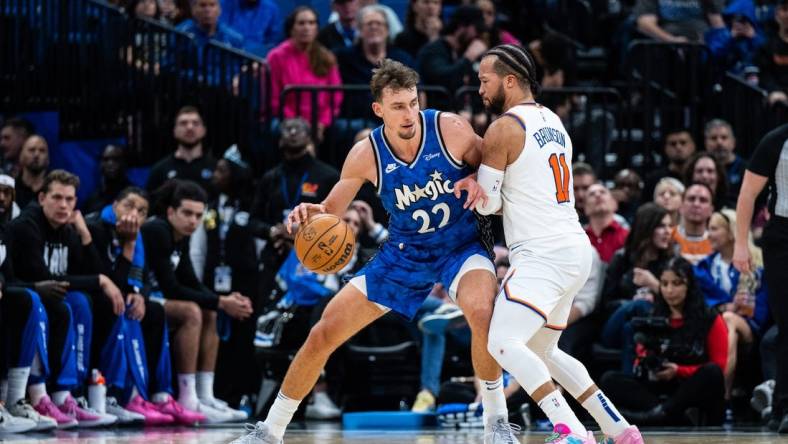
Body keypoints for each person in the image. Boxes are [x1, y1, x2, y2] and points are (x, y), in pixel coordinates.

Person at [232, 58, 513, 443]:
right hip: (404, 253)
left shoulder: (450, 128)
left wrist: (476, 180)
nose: (409, 113)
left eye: (413, 102)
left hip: (460, 245)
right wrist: (309, 214)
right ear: (379, 109)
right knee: (322, 333)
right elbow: (330, 210)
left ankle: (496, 424)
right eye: (398, 106)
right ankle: (270, 430)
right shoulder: (366, 153)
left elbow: (495, 173)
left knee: (483, 313)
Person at [471, 44, 642, 443]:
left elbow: (489, 203)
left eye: (484, 80)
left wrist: (472, 180)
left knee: (502, 342)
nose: (479, 89)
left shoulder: (503, 127)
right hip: (574, 249)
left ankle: (571, 430)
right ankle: (620, 428)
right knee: (543, 349)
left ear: (509, 80)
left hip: (543, 253)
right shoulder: (553, 121)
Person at [7, 170, 122, 428]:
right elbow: (45, 277)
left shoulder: (67, 229)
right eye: (57, 198)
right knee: (58, 307)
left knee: (82, 302)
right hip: (21, 293)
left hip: (43, 296)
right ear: (41, 198)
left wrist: (84, 234)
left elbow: (91, 271)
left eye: (70, 200)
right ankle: (41, 395)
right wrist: (99, 280)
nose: (64, 205)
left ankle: (69, 395)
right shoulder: (27, 226)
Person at [86, 187, 202, 425]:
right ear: (115, 204)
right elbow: (106, 279)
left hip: (120, 296)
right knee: (121, 308)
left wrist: (139, 293)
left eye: (141, 211)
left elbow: (144, 279)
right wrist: (128, 245)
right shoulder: (96, 228)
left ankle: (159, 394)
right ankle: (122, 395)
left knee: (151, 310)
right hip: (96, 297)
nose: (134, 214)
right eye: (129, 206)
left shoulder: (139, 235)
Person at [142, 180, 252, 423]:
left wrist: (222, 300)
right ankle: (187, 397)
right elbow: (172, 287)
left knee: (210, 311)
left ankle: (205, 394)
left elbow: (190, 280)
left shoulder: (182, 236)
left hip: (159, 300)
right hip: (142, 299)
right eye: (187, 213)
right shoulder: (157, 230)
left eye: (199, 215)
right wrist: (220, 301)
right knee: (192, 311)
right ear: (171, 212)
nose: (193, 220)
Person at [600, 257, 728, 426]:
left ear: (689, 286)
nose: (669, 290)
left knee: (712, 373)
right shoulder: (653, 315)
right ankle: (668, 414)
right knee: (609, 379)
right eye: (664, 283)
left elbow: (719, 366)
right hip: (657, 386)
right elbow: (641, 355)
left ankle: (660, 414)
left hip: (690, 387)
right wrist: (647, 362)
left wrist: (679, 371)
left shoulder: (710, 318)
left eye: (676, 283)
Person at [733, 123, 788, 433]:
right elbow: (747, 194)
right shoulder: (776, 140)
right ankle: (783, 403)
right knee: (786, 323)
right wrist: (741, 245)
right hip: (782, 237)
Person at [694, 209, 769, 418]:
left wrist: (734, 310)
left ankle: (722, 396)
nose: (708, 234)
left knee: (729, 321)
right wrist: (724, 306)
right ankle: (722, 397)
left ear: (730, 232)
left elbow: (762, 310)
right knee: (726, 321)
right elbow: (699, 301)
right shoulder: (704, 266)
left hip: (750, 327)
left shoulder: (758, 263)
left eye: (714, 228)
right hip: (714, 324)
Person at [267, 6, 343, 141]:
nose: (306, 27)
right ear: (291, 28)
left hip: (322, 123)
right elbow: (274, 100)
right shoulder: (276, 57)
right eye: (301, 23)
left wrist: (322, 123)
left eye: (311, 23)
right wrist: (301, 125)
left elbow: (336, 97)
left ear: (317, 28)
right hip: (287, 120)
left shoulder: (327, 56)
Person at [146, 106, 216, 194]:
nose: (190, 127)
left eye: (195, 123)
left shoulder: (215, 168)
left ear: (204, 130)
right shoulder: (160, 170)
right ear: (174, 130)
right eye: (183, 123)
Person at [642, 129, 696, 204]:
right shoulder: (653, 179)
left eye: (683, 143)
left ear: (693, 146)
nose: (678, 147)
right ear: (665, 148)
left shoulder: (699, 176)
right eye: (673, 144)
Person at [704, 119, 745, 206]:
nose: (719, 142)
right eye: (713, 138)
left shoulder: (746, 169)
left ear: (733, 142)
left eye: (724, 137)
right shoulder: (701, 168)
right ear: (706, 143)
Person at [585, 183, 629, 264]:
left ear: (614, 203)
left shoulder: (627, 236)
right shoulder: (580, 238)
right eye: (592, 194)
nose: (597, 195)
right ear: (585, 208)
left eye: (602, 192)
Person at [82, 144, 132, 215]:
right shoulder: (92, 200)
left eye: (115, 159)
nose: (110, 164)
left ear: (124, 163)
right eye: (106, 159)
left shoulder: (134, 195)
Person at [672, 183, 714, 265]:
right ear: (681, 207)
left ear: (711, 210)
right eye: (691, 199)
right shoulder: (669, 236)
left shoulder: (718, 241)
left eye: (703, 200)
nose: (696, 204)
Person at [176, 0, 244, 50]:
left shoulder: (234, 39)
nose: (207, 10)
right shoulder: (180, 34)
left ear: (219, 10)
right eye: (202, 5)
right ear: (193, 10)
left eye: (212, 5)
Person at [14, 135, 49, 209]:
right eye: (31, 150)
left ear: (48, 158)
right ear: (21, 155)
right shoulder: (12, 188)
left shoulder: (53, 190)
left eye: (42, 150)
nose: (36, 154)